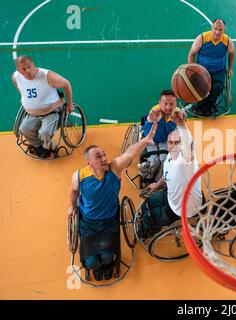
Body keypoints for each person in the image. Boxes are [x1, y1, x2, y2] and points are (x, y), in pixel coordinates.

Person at [67, 122, 158, 281]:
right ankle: (97, 264)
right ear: (89, 162)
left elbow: (129, 153)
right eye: (98, 156)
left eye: (104, 154)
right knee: (91, 262)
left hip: (110, 221)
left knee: (108, 257)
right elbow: (74, 191)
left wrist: (145, 140)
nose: (104, 158)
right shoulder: (79, 176)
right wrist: (72, 206)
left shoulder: (114, 168)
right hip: (88, 223)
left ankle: (107, 262)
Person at [139, 109, 202, 239]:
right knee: (146, 203)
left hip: (182, 210)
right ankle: (155, 226)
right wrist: (158, 184)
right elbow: (167, 173)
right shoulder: (170, 155)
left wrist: (181, 125)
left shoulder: (186, 162)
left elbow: (188, 144)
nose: (173, 146)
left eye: (177, 142)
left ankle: (146, 234)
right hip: (171, 199)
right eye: (170, 142)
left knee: (147, 218)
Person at [11, 55, 74, 158]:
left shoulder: (47, 76)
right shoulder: (15, 76)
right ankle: (38, 146)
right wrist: (25, 97)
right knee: (24, 128)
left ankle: (46, 148)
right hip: (32, 114)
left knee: (44, 132)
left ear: (33, 65)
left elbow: (66, 84)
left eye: (29, 67)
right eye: (23, 69)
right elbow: (18, 86)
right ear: (19, 70)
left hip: (51, 112)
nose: (28, 71)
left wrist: (70, 104)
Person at [187, 18, 235, 116]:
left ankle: (206, 109)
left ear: (224, 30)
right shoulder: (202, 38)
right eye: (215, 29)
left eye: (220, 29)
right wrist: (192, 69)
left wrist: (230, 68)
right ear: (211, 28)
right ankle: (200, 107)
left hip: (219, 71)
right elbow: (192, 54)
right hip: (202, 70)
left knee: (217, 87)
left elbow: (232, 53)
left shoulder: (227, 41)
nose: (217, 32)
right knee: (202, 86)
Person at [138, 90, 180, 189]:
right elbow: (148, 133)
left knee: (164, 159)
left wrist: (160, 121)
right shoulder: (153, 113)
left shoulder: (175, 115)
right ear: (159, 103)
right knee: (154, 161)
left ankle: (158, 180)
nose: (168, 107)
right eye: (165, 104)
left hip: (164, 139)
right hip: (151, 139)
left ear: (176, 104)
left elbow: (166, 133)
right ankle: (148, 178)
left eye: (171, 104)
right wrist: (153, 120)